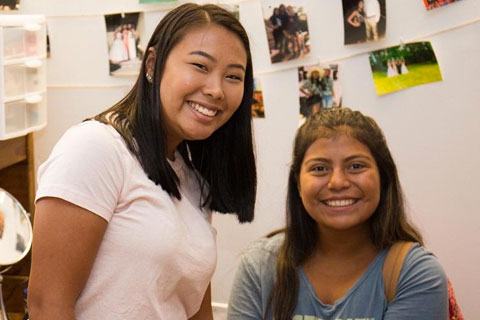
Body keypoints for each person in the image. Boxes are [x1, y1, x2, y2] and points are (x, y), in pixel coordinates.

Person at [28, 3, 257, 320]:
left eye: (233, 76)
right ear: (153, 64)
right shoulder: (97, 147)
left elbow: (191, 307)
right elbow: (46, 306)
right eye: (201, 66)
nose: (217, 90)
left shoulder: (192, 178)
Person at [227, 108, 447, 320]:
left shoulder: (416, 275)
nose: (338, 182)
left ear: (383, 176)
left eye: (356, 166)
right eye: (320, 168)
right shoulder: (259, 266)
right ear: (298, 184)